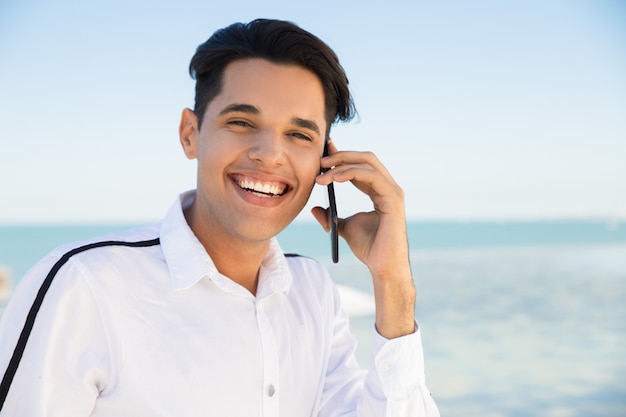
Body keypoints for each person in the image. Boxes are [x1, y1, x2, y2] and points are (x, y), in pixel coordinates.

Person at [0, 19, 439, 416]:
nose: (269, 154)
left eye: (299, 134)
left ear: (326, 161)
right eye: (242, 123)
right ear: (190, 134)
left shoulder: (312, 292)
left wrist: (393, 282)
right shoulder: (82, 285)